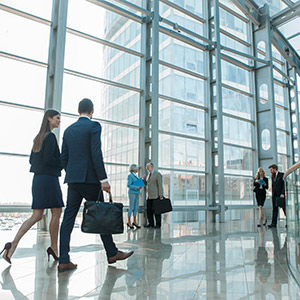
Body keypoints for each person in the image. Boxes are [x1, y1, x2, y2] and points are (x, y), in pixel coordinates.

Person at [58, 98, 134, 272]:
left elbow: (64, 158)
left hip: (73, 180)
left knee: (68, 219)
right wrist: (103, 179)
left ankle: (63, 259)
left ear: (78, 111)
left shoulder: (69, 130)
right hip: (91, 180)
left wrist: (71, 173)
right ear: (92, 111)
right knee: (101, 215)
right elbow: (95, 152)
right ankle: (112, 252)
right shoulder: (94, 126)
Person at [1, 110, 64, 264]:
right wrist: (63, 162)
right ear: (49, 118)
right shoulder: (51, 137)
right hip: (49, 179)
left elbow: (31, 161)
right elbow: (50, 159)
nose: (59, 121)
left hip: (38, 180)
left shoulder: (38, 138)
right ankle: (54, 248)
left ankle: (12, 245)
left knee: (36, 216)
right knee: (56, 212)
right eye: (57, 118)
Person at [142, 162, 164, 229]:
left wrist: (161, 194)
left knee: (157, 211)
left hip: (155, 195)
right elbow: (146, 185)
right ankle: (151, 223)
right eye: (146, 167)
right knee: (149, 211)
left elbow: (160, 185)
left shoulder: (157, 174)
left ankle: (158, 224)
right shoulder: (148, 175)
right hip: (149, 196)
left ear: (152, 167)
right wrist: (143, 180)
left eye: (148, 167)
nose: (147, 168)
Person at [268, 164, 286, 228]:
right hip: (274, 195)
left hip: (280, 195)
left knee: (284, 208)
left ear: (275, 169)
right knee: (274, 209)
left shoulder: (281, 175)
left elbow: (284, 185)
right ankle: (273, 223)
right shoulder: (272, 176)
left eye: (271, 170)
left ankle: (288, 221)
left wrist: (283, 193)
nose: (271, 171)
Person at [127, 164, 142, 229]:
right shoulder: (130, 176)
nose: (137, 169)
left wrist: (140, 184)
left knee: (136, 207)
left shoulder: (136, 176)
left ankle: (135, 221)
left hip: (136, 193)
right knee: (131, 207)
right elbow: (129, 185)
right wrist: (136, 187)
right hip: (132, 193)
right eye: (136, 168)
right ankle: (129, 222)